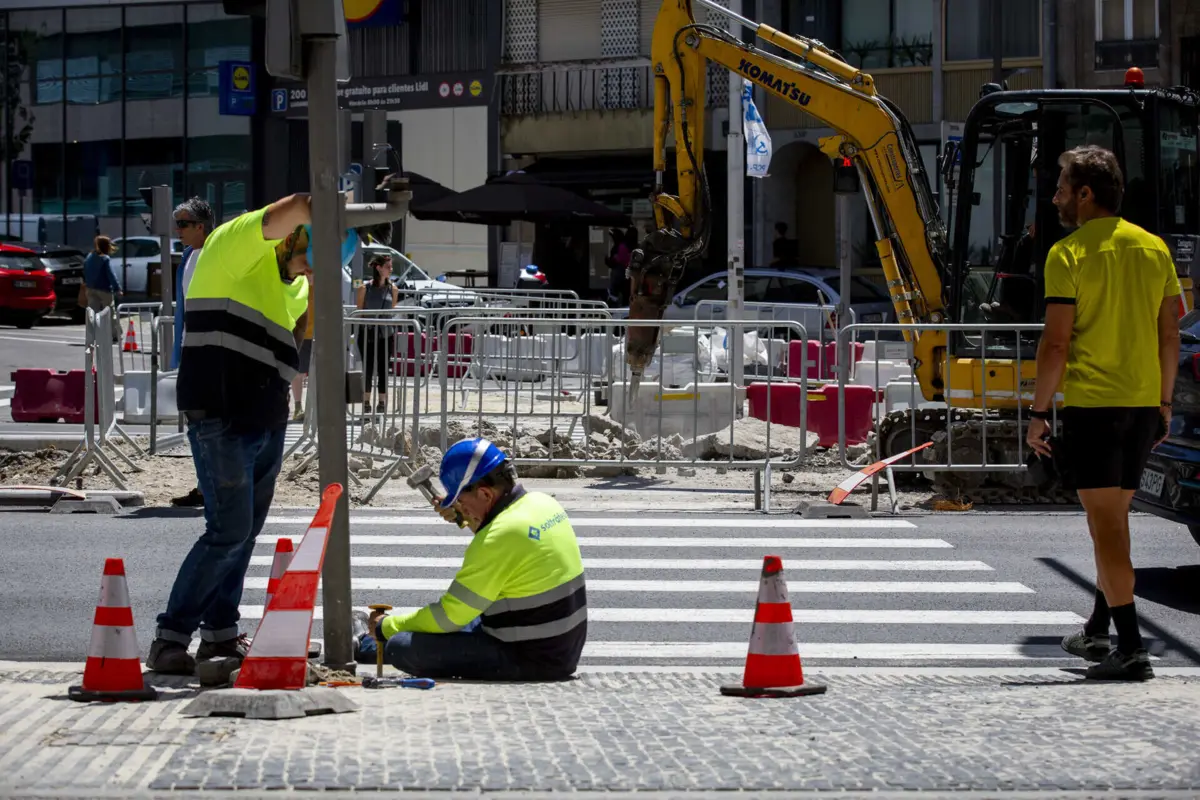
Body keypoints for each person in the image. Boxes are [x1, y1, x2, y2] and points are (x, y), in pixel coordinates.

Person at [147, 193, 355, 676]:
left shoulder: (296, 286)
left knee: (243, 534)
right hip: (220, 413)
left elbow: (296, 337)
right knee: (228, 532)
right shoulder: (234, 246)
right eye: (309, 257)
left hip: (265, 416)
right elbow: (301, 203)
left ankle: (220, 634)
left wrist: (318, 280)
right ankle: (170, 636)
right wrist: (333, 201)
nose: (309, 270)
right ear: (290, 238)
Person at [1026, 145, 1181, 682]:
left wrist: (1039, 411)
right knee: (1111, 524)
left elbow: (1056, 344)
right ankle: (1097, 629)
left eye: (1062, 188)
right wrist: (1164, 403)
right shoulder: (1154, 248)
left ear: (1086, 193)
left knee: (1107, 526)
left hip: (1095, 406)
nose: (1055, 198)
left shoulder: (1068, 253)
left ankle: (1132, 647)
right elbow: (1169, 334)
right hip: (1142, 404)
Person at [352, 438, 587, 681]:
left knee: (402, 645)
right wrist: (464, 516)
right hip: (559, 647)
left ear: (484, 493)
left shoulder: (499, 537)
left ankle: (370, 638)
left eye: (462, 503)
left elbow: (449, 615)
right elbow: (499, 539)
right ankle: (366, 644)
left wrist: (386, 626)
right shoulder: (542, 503)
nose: (462, 510)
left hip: (529, 657)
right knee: (450, 623)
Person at [169, 198, 216, 509]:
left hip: (209, 352)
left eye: (183, 224)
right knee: (196, 422)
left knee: (205, 423)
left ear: (200, 226)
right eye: (177, 224)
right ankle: (205, 485)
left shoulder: (215, 255)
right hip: (191, 350)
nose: (178, 230)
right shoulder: (189, 255)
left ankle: (210, 487)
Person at [355, 253, 398, 416]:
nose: (391, 270)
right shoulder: (364, 289)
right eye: (388, 267)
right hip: (368, 333)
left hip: (386, 335)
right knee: (367, 368)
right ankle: (366, 403)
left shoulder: (393, 289)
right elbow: (360, 311)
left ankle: (381, 403)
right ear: (378, 268)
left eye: (391, 267)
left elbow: (391, 309)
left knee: (383, 369)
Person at [83, 235, 122, 343]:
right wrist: (117, 288)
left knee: (92, 312)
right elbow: (111, 274)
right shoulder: (105, 258)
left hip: (90, 288)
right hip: (104, 289)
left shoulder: (89, 256)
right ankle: (115, 334)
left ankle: (91, 335)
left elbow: (85, 270)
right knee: (110, 312)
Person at [292, 272, 314, 421]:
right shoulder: (298, 282)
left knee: (315, 373)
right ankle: (298, 407)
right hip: (300, 332)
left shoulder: (322, 284)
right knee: (298, 372)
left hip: (317, 334)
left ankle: (313, 407)